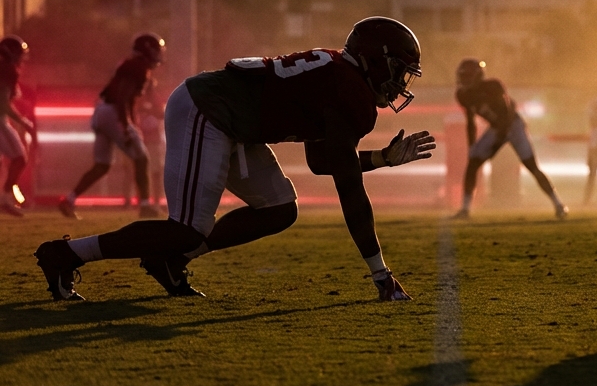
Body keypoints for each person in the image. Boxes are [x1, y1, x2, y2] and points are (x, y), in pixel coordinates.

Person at [33, 17, 434, 302]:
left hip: (236, 122)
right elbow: (348, 185)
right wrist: (380, 272)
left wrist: (382, 157)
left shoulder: (337, 76)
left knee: (279, 208)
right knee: (188, 227)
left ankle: (171, 262)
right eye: (399, 70)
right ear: (376, 59)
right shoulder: (350, 91)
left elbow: (323, 162)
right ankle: (65, 254)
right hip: (208, 109)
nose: (400, 84)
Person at [59, 34, 166, 220]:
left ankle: (69, 200)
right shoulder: (138, 67)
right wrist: (125, 125)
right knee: (141, 159)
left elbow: (127, 98)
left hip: (103, 111)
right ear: (149, 50)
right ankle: (145, 206)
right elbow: (123, 96)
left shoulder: (132, 65)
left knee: (102, 165)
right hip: (113, 113)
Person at [453, 58, 568, 220]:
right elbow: (470, 120)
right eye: (463, 76)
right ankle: (465, 210)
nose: (464, 80)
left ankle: (558, 204)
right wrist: (472, 145)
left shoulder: (493, 86)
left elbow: (507, 110)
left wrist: (503, 132)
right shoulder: (463, 95)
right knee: (472, 164)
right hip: (496, 128)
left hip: (513, 125)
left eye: (468, 76)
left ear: (478, 76)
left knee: (532, 166)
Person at [0, 35, 35, 217]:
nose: (22, 58)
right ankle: (5, 197)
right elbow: (3, 104)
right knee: (20, 158)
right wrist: (23, 121)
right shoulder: (7, 70)